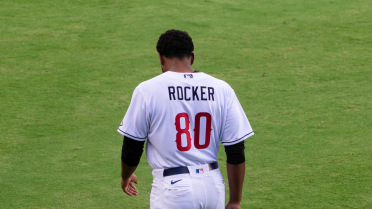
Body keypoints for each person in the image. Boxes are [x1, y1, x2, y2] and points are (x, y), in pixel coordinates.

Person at [118, 29, 254, 209]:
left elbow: (132, 147)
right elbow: (236, 150)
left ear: (161, 58)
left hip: (173, 189)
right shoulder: (222, 89)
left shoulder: (147, 90)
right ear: (192, 57)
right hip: (213, 186)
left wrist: (126, 176)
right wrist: (235, 201)